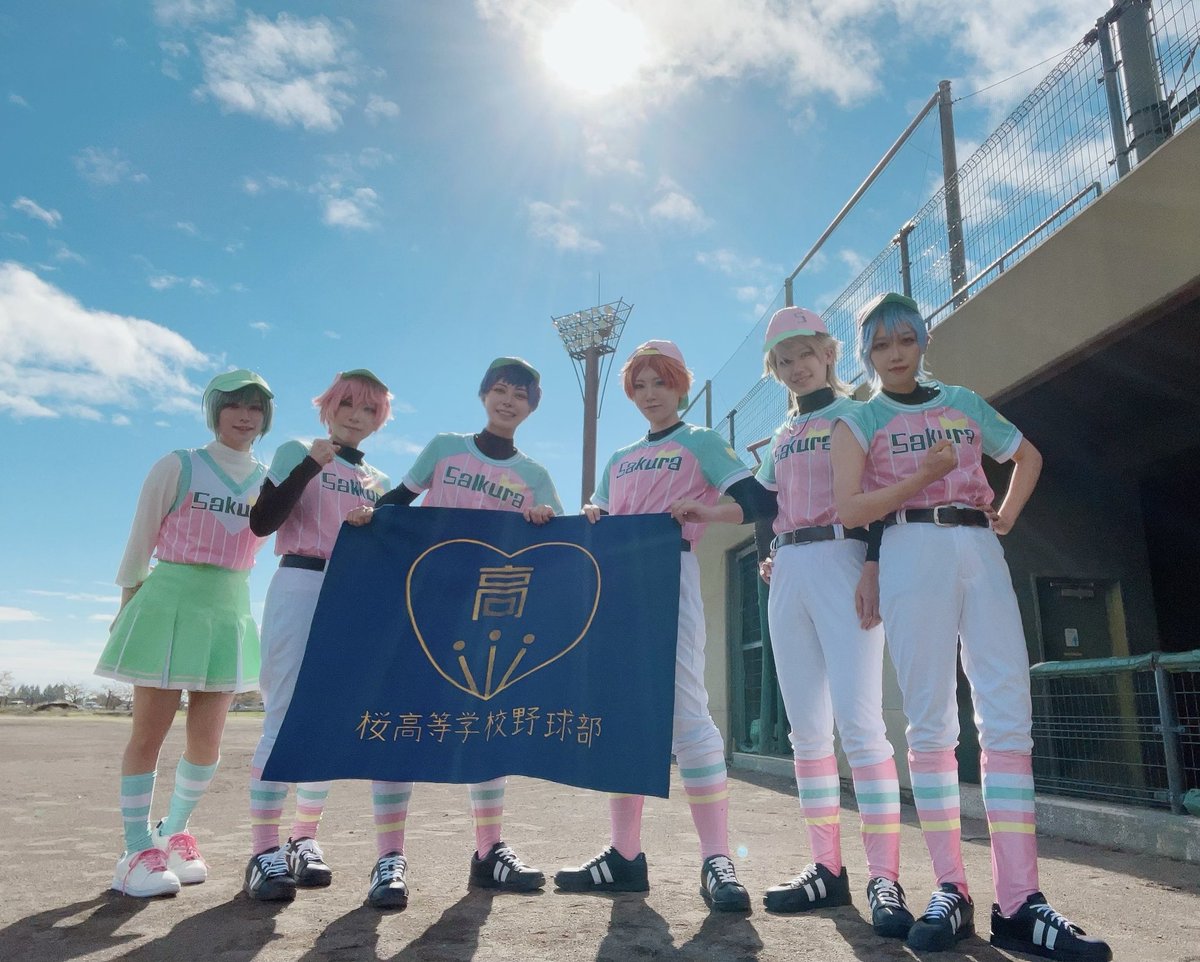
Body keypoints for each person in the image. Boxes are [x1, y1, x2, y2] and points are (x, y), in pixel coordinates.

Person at [830, 292, 1111, 960]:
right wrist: (923, 475)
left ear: (922, 340)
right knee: (931, 721)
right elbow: (851, 507)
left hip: (979, 546)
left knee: (1007, 712)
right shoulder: (860, 418)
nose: (895, 354)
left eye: (905, 339)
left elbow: (1027, 456)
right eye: (880, 345)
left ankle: (1019, 902)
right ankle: (950, 888)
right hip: (909, 547)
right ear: (866, 354)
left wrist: (1006, 515)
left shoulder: (961, 401)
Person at [554, 340, 771, 913]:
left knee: (687, 711)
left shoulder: (701, 441)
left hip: (669, 570)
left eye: (661, 382)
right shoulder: (619, 457)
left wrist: (708, 511)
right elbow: (600, 510)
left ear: (680, 385)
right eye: (641, 385)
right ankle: (624, 857)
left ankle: (717, 859)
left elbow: (755, 503)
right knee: (622, 717)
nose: (651, 394)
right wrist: (594, 513)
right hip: (614, 582)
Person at [346, 356, 563, 898]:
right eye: (500, 389)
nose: (508, 400)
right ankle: (389, 859)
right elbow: (399, 501)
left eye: (520, 395)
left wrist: (542, 519)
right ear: (484, 394)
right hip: (423, 607)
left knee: (486, 726)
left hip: (490, 616)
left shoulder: (535, 476)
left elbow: (558, 545)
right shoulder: (445, 447)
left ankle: (489, 852)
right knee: (398, 723)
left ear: (532, 408)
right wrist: (370, 516)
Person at [753, 307, 911, 937]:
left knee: (862, 726)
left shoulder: (859, 412)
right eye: (784, 360)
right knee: (808, 734)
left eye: (805, 354)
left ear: (828, 353)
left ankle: (885, 878)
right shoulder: (782, 433)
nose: (796, 367)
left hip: (845, 559)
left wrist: (873, 565)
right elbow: (763, 503)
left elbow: (879, 497)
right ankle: (825, 868)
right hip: (790, 568)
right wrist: (768, 553)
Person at [97, 369, 273, 898]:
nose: (245, 416)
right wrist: (128, 609)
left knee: (207, 740)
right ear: (215, 410)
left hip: (230, 607)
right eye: (234, 404)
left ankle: (173, 831)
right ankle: (134, 850)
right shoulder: (178, 464)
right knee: (149, 734)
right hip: (168, 603)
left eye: (256, 407)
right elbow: (140, 541)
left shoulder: (269, 480)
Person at [243, 369, 402, 907]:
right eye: (347, 404)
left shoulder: (378, 481)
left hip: (354, 594)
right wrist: (313, 463)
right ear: (328, 406)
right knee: (284, 715)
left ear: (380, 420)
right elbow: (262, 522)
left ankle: (302, 838)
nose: (356, 415)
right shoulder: (297, 450)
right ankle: (263, 851)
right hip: (301, 580)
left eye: (369, 409)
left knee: (332, 719)